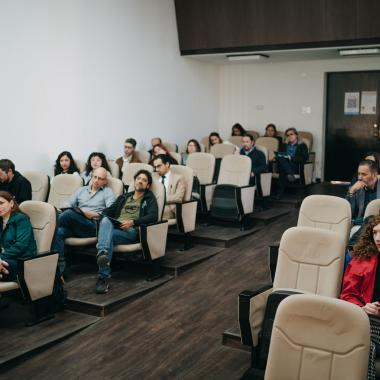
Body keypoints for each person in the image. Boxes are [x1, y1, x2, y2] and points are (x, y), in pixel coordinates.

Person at [95, 170, 158, 294]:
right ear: (134, 181)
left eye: (144, 180)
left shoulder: (149, 198)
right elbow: (108, 211)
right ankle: (103, 257)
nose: (140, 181)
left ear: (148, 185)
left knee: (107, 237)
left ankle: (103, 273)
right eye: (138, 178)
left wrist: (133, 222)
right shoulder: (124, 197)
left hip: (131, 230)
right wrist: (99, 215)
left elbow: (153, 216)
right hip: (116, 226)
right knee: (106, 221)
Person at [53, 167, 115, 275]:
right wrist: (69, 208)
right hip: (76, 223)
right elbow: (68, 204)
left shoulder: (107, 192)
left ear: (105, 181)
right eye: (95, 177)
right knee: (58, 232)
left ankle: (48, 227)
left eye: (100, 178)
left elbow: (111, 211)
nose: (96, 180)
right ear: (91, 176)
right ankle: (60, 267)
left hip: (92, 225)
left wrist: (93, 214)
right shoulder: (81, 190)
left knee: (66, 216)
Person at [340, 215, 380, 380]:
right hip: (367, 319)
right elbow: (347, 295)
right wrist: (362, 307)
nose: (378, 238)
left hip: (367, 325)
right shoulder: (362, 260)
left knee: (361, 339)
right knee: (366, 343)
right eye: (375, 233)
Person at [0, 191, 37, 281]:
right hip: (5, 259)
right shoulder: (0, 221)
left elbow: (21, 246)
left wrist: (1, 257)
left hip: (22, 261)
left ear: (11, 203)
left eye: (1, 203)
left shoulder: (21, 219)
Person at [274, 127, 308, 199]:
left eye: (291, 134)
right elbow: (280, 155)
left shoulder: (302, 145)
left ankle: (278, 194)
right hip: (286, 165)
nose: (290, 136)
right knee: (282, 159)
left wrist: (291, 158)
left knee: (283, 167)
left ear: (296, 135)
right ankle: (290, 174)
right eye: (288, 135)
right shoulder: (284, 145)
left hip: (295, 166)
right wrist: (277, 156)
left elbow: (304, 158)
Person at [346, 159, 380, 226]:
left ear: (374, 175)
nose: (359, 178)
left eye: (364, 174)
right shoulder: (356, 188)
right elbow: (348, 214)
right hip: (360, 226)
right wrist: (351, 192)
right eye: (359, 174)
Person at [153, 154, 185, 219]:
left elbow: (178, 197)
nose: (156, 169)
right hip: (152, 205)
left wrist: (160, 200)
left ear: (167, 164)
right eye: (155, 167)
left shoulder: (178, 178)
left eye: (159, 166)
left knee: (150, 213)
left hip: (169, 207)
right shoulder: (153, 177)